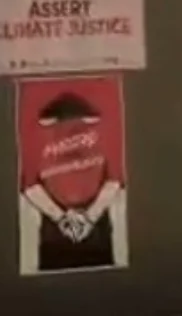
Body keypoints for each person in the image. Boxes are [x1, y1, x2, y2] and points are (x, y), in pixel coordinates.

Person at [20, 90, 125, 272]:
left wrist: (70, 218)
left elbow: (30, 185)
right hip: (64, 222)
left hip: (80, 220)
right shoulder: (36, 131)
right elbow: (114, 178)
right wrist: (79, 218)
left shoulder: (37, 131)